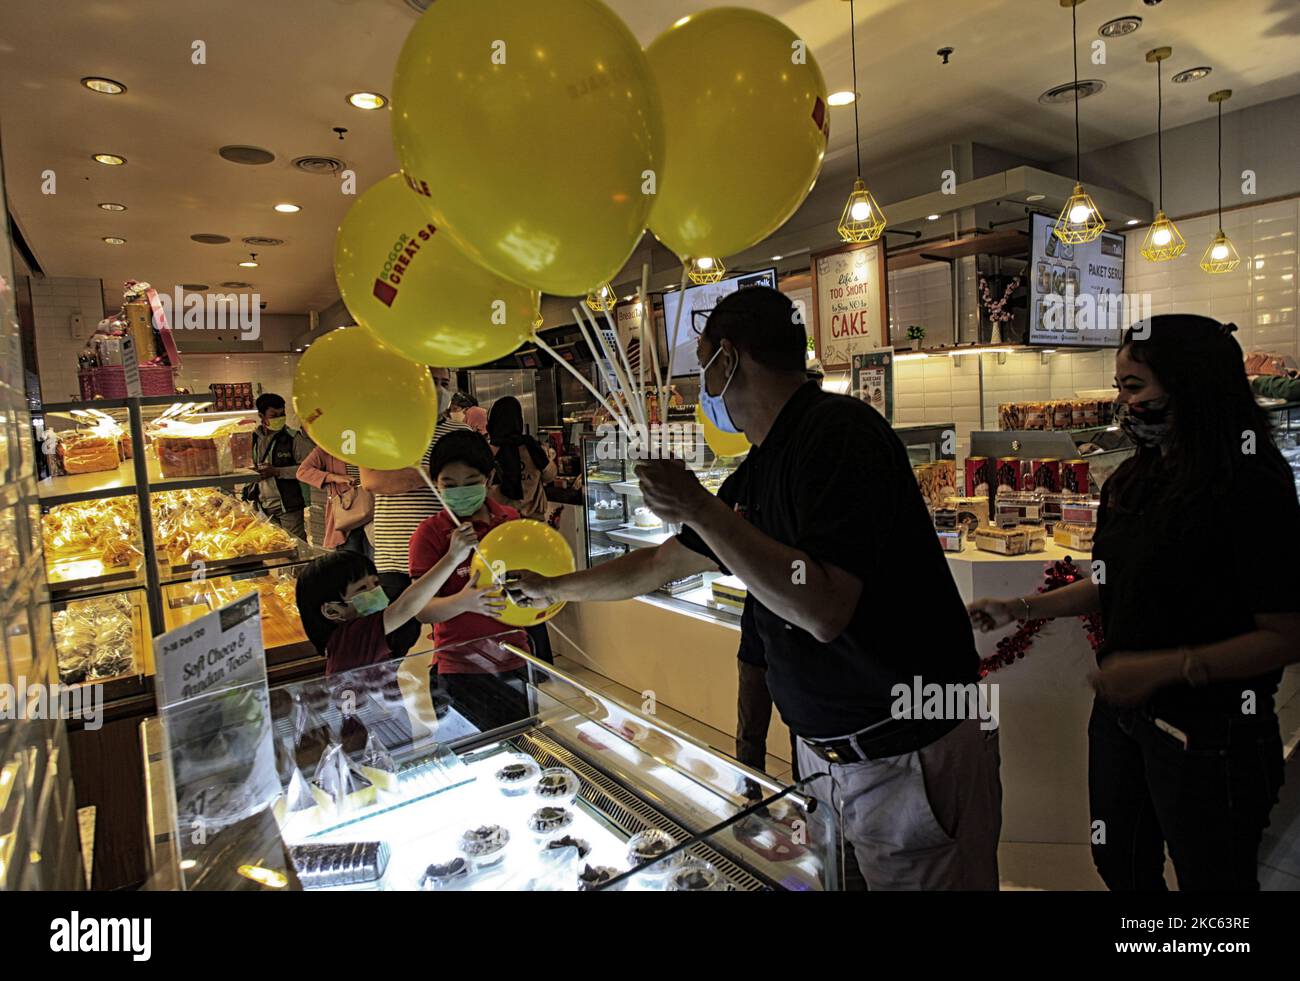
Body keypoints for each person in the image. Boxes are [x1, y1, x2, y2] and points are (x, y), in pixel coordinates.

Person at [511, 286, 1001, 890]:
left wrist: (696, 505)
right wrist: (553, 587)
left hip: (906, 752)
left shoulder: (840, 434)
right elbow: (660, 565)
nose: (701, 381)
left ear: (730, 359)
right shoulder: (762, 463)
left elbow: (823, 608)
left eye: (704, 359)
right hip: (827, 761)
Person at [968, 314, 1300, 892]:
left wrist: (1166, 668)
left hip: (1210, 732)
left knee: (1214, 884)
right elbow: (1111, 581)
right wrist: (1019, 608)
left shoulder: (1250, 486)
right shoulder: (1136, 478)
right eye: (1120, 387)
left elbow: (1286, 632)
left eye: (1134, 387)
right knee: (1119, 862)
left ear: (1193, 384)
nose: (1123, 404)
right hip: (1123, 723)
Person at [409, 429, 532, 732]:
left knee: (520, 747)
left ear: (489, 479)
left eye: (471, 483)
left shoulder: (510, 521)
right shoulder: (429, 535)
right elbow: (422, 610)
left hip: (514, 657)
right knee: (468, 757)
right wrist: (465, 600)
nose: (460, 492)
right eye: (449, 485)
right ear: (435, 483)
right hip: (458, 668)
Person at [295, 522, 476, 676]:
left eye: (375, 583)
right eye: (362, 589)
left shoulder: (347, 640)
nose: (376, 591)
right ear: (332, 610)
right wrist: (452, 558)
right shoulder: (351, 637)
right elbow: (406, 606)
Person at [360, 366, 468, 603]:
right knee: (401, 632)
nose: (439, 390)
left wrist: (407, 476)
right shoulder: (382, 431)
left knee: (448, 629)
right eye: (431, 381)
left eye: (444, 383)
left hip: (448, 551)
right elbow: (372, 480)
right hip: (395, 555)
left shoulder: (461, 433)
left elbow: (471, 484)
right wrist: (439, 473)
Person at [486, 395, 559, 664]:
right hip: (535, 531)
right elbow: (551, 475)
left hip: (503, 534)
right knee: (534, 594)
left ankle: (513, 657)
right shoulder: (533, 448)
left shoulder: (488, 452)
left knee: (507, 597)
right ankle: (543, 660)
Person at [250, 393, 309, 540]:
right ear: (261, 415)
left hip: (289, 505)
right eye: (274, 415)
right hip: (263, 504)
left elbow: (308, 469)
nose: (279, 418)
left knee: (297, 545)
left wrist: (277, 471)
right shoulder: (254, 437)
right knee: (272, 545)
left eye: (282, 414)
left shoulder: (293, 438)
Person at [297, 445, 372, 557]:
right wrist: (333, 477)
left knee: (373, 559)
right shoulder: (328, 446)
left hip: (373, 509)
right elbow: (303, 472)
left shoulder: (370, 443)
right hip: (347, 512)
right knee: (350, 559)